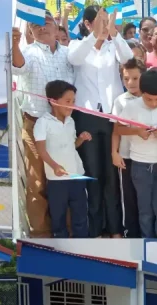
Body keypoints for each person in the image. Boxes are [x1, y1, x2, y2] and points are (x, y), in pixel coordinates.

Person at [68, 6, 133, 238]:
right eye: (100, 21)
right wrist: (95, 36)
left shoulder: (112, 46)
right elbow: (73, 59)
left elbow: (128, 58)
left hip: (111, 117)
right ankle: (95, 228)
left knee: (111, 176)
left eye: (107, 21)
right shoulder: (78, 46)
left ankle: (115, 228)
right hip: (86, 117)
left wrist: (113, 33)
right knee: (93, 174)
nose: (104, 26)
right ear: (87, 24)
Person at [12, 11, 74, 238]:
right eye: (34, 25)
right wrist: (15, 44)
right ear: (30, 31)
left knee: (65, 179)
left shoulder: (69, 55)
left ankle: (67, 231)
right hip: (36, 125)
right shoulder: (27, 52)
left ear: (57, 28)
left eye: (45, 22)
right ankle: (41, 235)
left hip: (64, 126)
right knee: (37, 182)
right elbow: (18, 66)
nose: (40, 27)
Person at [115, 69, 157, 238]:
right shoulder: (131, 107)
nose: (153, 103)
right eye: (149, 99)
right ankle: (147, 243)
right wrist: (136, 131)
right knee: (144, 210)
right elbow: (118, 128)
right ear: (142, 93)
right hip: (139, 166)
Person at [34, 80, 92, 238]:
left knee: (80, 216)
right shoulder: (42, 123)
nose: (72, 105)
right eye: (68, 101)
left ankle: (82, 246)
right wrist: (55, 166)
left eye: (73, 101)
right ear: (53, 101)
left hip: (77, 176)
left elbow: (72, 146)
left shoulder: (71, 121)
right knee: (58, 219)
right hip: (56, 181)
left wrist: (81, 138)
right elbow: (41, 150)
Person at [111, 58, 147, 238]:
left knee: (145, 199)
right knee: (129, 198)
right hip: (126, 157)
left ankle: (146, 233)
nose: (131, 83)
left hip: (147, 157)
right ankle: (130, 233)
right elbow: (116, 130)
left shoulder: (151, 98)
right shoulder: (120, 101)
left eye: (135, 78)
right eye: (126, 79)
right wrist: (114, 153)